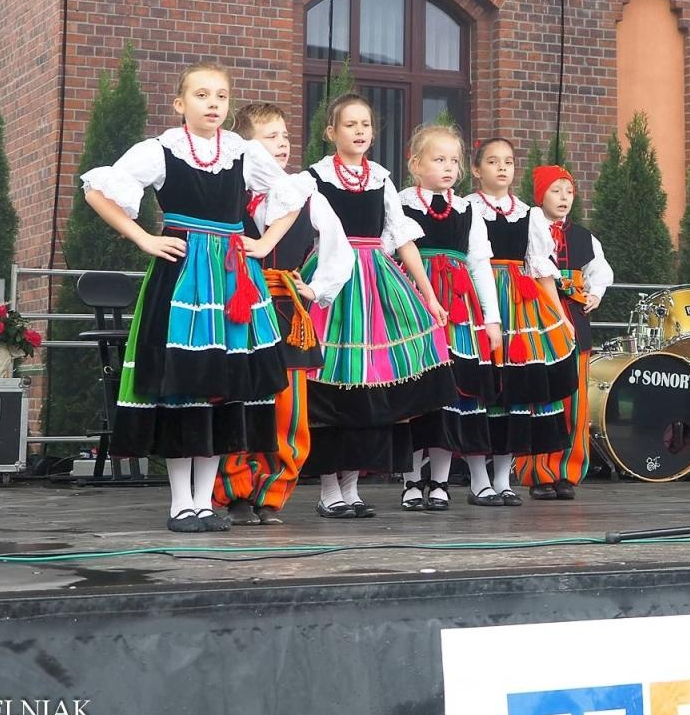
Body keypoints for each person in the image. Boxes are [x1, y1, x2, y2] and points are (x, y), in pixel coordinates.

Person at [82, 62, 304, 533]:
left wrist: (263, 244)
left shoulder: (243, 152)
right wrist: (143, 238)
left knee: (223, 388)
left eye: (221, 96)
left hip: (230, 280)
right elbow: (98, 190)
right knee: (181, 386)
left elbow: (291, 194)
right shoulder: (161, 150)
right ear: (180, 104)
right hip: (181, 277)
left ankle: (205, 502)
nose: (213, 104)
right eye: (202, 95)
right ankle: (181, 502)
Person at [299, 92, 451, 519]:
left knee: (370, 388)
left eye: (366, 124)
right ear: (331, 132)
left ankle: (352, 486)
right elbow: (292, 229)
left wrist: (430, 296)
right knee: (330, 387)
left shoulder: (381, 178)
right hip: (331, 280)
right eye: (350, 124)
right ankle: (329, 488)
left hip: (376, 282)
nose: (360, 131)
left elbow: (402, 240)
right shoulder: (314, 178)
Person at [213, 102, 352, 526]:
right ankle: (233, 490)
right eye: (270, 136)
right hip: (239, 303)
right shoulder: (226, 191)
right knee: (239, 397)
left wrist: (318, 288)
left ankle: (271, 494)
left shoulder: (305, 193)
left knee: (288, 407)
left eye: (285, 136)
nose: (283, 144)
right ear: (245, 145)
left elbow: (339, 248)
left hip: (287, 306)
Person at [393, 121, 503, 512]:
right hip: (413, 304)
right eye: (439, 159)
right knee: (416, 390)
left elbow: (479, 264)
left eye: (454, 160)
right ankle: (410, 481)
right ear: (415, 163)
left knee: (451, 392)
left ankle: (439, 481)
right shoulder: (400, 202)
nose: (448, 167)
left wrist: (492, 319)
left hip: (456, 311)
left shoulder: (467, 209)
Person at [466, 138, 577, 507]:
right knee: (483, 390)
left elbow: (541, 269)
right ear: (476, 169)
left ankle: (503, 478)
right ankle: (478, 480)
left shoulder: (528, 214)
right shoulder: (467, 208)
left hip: (519, 304)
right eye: (493, 162)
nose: (502, 168)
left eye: (509, 162)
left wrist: (560, 316)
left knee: (517, 392)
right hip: (479, 299)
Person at [517, 164, 612, 500]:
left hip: (574, 322)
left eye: (568, 191)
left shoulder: (584, 236)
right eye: (555, 190)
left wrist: (595, 294)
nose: (563, 198)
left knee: (576, 402)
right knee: (541, 399)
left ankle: (567, 473)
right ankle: (536, 472)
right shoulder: (526, 227)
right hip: (537, 320)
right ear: (539, 193)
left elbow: (599, 270)